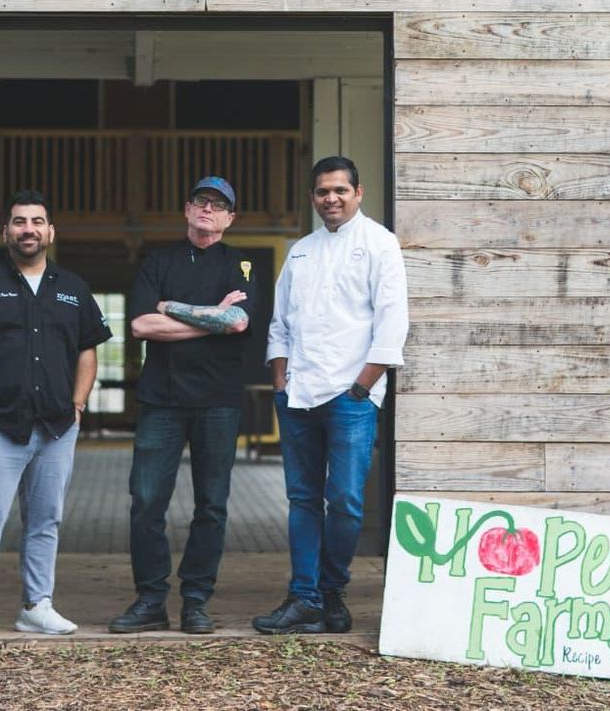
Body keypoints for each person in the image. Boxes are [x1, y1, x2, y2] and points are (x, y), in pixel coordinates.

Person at [0, 189, 112, 642]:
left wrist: (77, 406)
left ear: (50, 231)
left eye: (37, 221)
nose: (28, 229)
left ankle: (37, 606)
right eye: (19, 221)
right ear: (6, 232)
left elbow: (88, 351)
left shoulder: (73, 289)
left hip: (56, 427)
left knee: (45, 521)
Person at [253, 156, 409, 634]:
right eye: (323, 191)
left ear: (358, 193)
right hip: (299, 395)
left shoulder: (380, 243)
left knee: (344, 501)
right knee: (303, 500)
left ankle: (331, 590)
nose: (331, 198)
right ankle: (304, 597)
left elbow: (392, 322)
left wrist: (362, 386)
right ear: (313, 197)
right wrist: (280, 382)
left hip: (351, 397)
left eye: (340, 190)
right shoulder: (301, 252)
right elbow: (280, 324)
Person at [108, 176, 257, 635]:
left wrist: (170, 307)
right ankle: (150, 599)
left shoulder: (240, 264)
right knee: (146, 502)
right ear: (187, 209)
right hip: (162, 400)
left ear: (231, 218)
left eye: (218, 205)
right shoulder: (158, 261)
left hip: (218, 401)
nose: (208, 209)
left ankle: (196, 601)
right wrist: (211, 316)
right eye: (201, 201)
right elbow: (140, 327)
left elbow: (238, 322)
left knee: (211, 505)